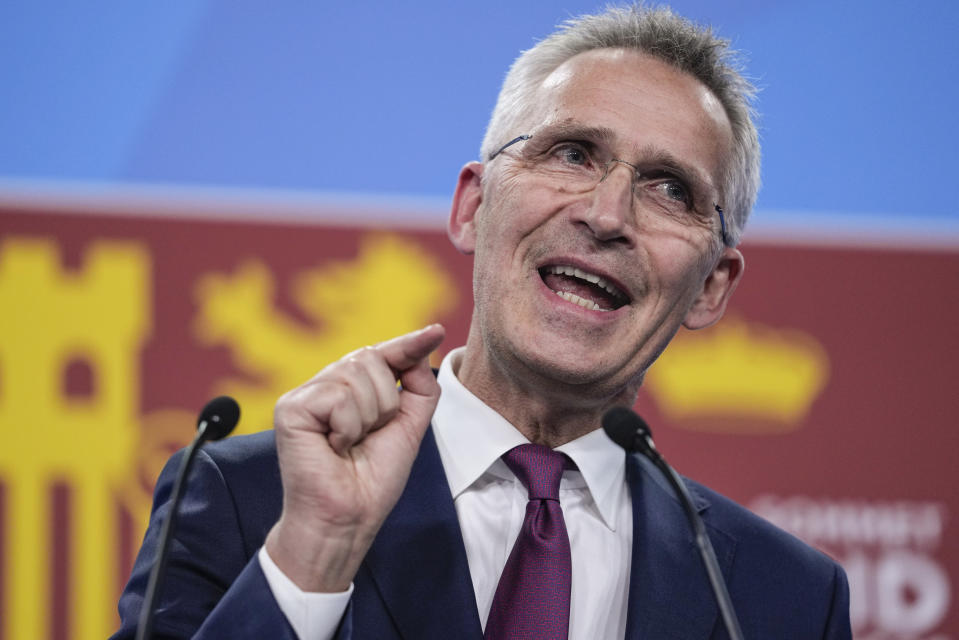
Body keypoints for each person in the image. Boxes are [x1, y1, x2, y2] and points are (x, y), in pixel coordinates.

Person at [113, 4, 851, 639]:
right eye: (571, 152)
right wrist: (315, 553)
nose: (605, 216)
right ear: (472, 204)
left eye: (668, 190)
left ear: (710, 288)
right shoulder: (250, 499)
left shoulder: (780, 595)